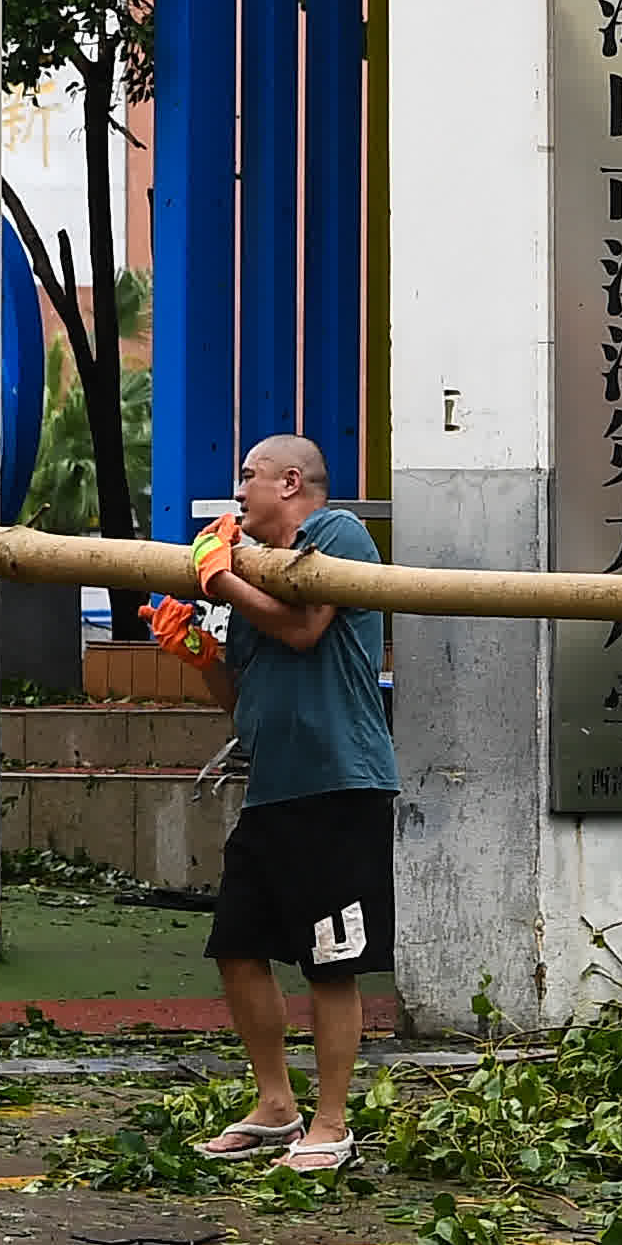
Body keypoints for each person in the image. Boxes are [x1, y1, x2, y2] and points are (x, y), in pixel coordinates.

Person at [185, 433, 400, 1172]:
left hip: (341, 782)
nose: (237, 491)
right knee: (238, 945)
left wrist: (222, 579)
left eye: (247, 476)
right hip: (272, 784)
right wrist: (198, 651)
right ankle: (277, 1104)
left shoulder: (338, 534)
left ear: (289, 482)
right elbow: (241, 699)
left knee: (328, 960)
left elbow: (306, 629)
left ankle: (332, 1122)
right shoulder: (247, 574)